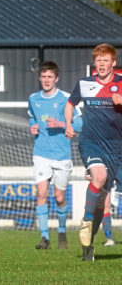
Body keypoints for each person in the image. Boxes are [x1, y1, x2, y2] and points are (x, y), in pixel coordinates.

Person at [65, 43, 122, 261]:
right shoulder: (85, 83)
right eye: (98, 61)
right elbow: (70, 104)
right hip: (91, 143)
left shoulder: (121, 83)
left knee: (102, 202)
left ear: (113, 63)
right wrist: (68, 123)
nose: (101, 64)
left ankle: (88, 243)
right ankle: (86, 222)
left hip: (117, 147)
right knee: (99, 176)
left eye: (105, 61)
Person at [28, 61, 83, 250]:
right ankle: (44, 238)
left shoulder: (67, 99)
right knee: (41, 194)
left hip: (62, 155)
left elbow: (80, 125)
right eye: (43, 76)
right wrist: (32, 126)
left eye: (50, 77)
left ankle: (61, 231)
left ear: (56, 79)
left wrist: (61, 125)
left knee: (59, 197)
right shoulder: (33, 99)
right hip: (41, 154)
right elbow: (32, 117)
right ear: (40, 78)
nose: (46, 80)